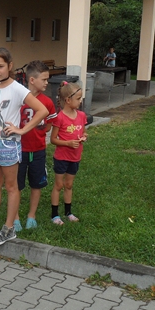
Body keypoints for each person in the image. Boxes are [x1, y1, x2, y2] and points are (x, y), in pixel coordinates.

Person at [0, 48, 48, 246]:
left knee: (11, 186)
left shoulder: (18, 89)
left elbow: (41, 110)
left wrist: (23, 130)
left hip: (8, 144)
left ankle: (9, 228)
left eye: (0, 66)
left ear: (9, 66)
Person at [15, 61, 57, 230]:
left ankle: (31, 216)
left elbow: (49, 125)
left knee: (36, 184)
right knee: (16, 185)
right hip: (18, 150)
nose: (47, 82)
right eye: (44, 79)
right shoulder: (18, 98)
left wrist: (37, 133)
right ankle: (15, 217)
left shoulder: (47, 102)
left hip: (38, 150)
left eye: (48, 79)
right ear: (32, 80)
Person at [50, 81, 88, 224]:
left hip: (75, 156)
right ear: (67, 100)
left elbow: (83, 131)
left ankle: (68, 212)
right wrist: (67, 143)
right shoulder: (59, 117)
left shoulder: (81, 116)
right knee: (59, 185)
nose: (80, 101)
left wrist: (83, 137)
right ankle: (55, 215)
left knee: (69, 185)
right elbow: (53, 140)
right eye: (78, 99)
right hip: (62, 157)